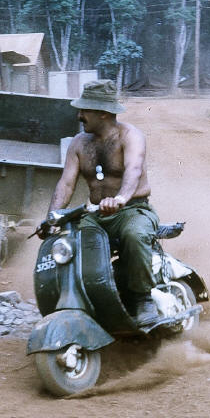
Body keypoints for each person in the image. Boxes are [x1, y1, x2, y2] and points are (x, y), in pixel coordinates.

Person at [46, 79, 160, 327]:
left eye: (84, 111)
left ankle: (143, 298)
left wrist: (120, 199)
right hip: (95, 213)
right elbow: (66, 184)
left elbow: (134, 170)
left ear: (103, 113)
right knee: (73, 245)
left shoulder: (130, 136)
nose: (79, 116)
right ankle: (90, 298)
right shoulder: (78, 143)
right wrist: (51, 218)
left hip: (133, 209)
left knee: (134, 235)